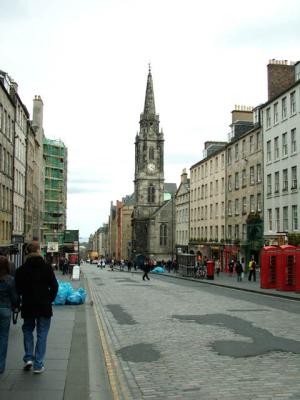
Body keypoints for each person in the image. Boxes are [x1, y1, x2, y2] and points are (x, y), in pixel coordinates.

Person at [15, 241, 58, 374]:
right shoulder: (47, 267)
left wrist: (22, 299)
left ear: (27, 253)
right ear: (38, 251)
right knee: (42, 333)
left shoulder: (21, 270)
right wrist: (49, 299)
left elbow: (18, 289)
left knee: (27, 330)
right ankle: (38, 364)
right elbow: (55, 286)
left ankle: (28, 358)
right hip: (44, 306)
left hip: (28, 305)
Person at [0, 256, 19, 374]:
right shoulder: (10, 279)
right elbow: (14, 297)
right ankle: (1, 366)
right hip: (5, 310)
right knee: (3, 338)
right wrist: (17, 305)